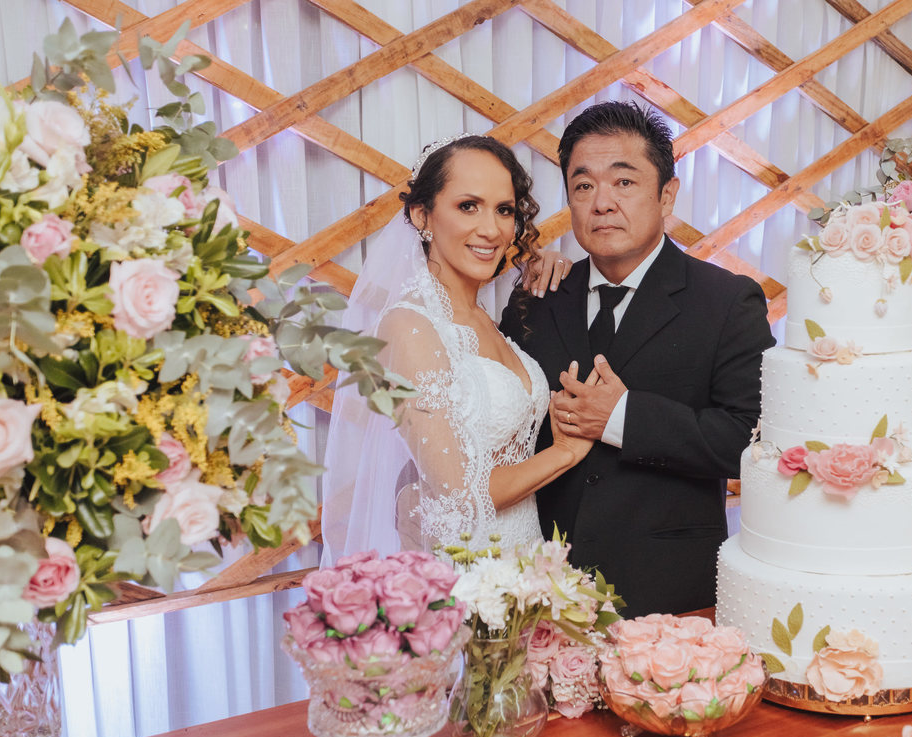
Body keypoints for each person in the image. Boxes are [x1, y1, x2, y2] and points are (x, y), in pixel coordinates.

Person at [500, 102, 776, 617]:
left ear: (667, 194)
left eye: (623, 182)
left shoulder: (726, 301)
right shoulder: (535, 300)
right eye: (584, 186)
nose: (602, 203)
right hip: (540, 591)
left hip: (669, 594)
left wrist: (622, 418)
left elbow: (751, 440)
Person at [321, 135, 593, 561]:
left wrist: (557, 267)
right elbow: (460, 497)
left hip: (524, 563)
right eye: (468, 206)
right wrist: (565, 452)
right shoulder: (407, 326)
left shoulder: (487, 318)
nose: (491, 229)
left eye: (504, 210)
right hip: (463, 572)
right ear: (421, 215)